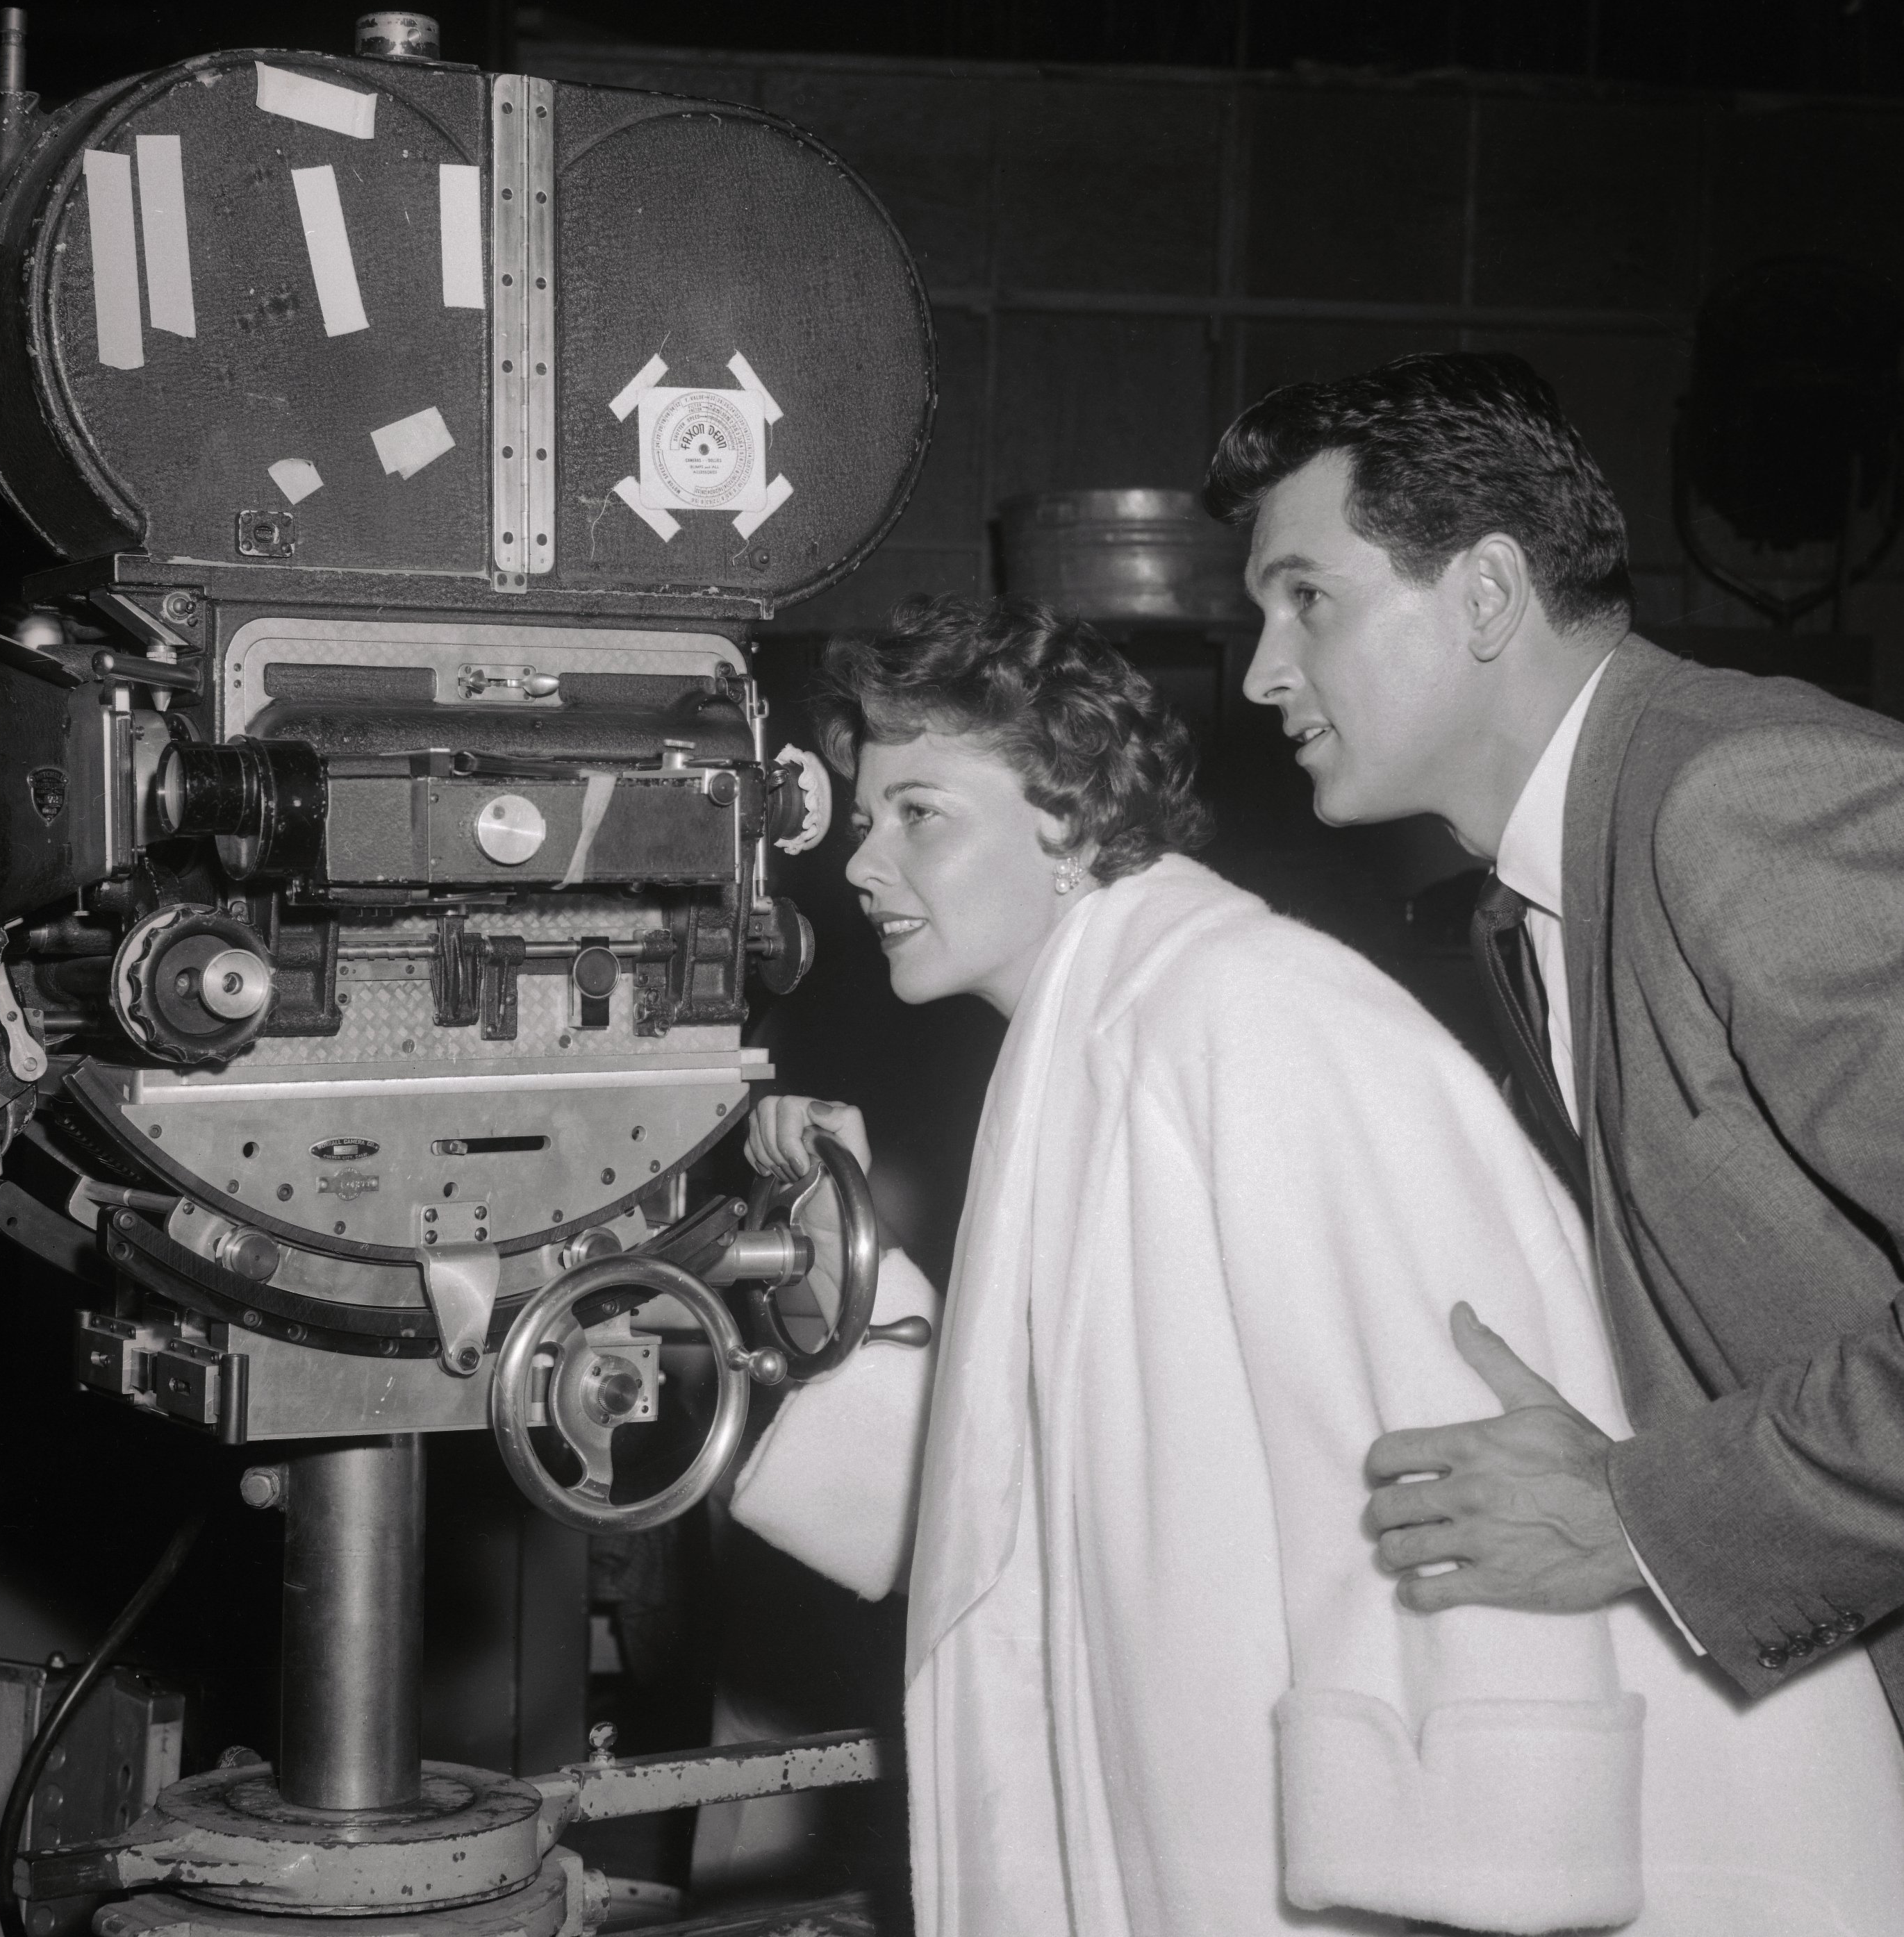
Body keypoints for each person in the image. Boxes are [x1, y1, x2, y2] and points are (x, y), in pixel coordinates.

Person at [728, 592, 1904, 1936]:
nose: (867, 867)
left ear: (1076, 821)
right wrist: (855, 1285)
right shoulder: (1102, 1028)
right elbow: (1041, 1492)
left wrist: (1471, 1878)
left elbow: (1454, 1465)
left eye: (920, 813)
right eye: (868, 821)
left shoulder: (1249, 1014)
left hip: (1514, 1854)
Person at [1207, 351, 1904, 1727]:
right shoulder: (1523, 897)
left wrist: (1635, 1513)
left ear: (1485, 593)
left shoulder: (1737, 799)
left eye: (1307, 602)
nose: (1259, 675)